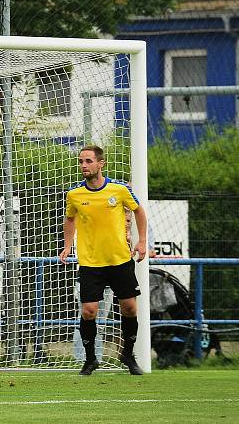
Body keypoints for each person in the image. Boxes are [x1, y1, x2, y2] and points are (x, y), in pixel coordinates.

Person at [59, 144, 147, 376]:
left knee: (129, 308)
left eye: (88, 161)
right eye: (81, 161)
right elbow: (69, 220)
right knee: (88, 311)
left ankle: (128, 354)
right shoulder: (75, 194)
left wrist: (142, 242)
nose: (83, 166)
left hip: (119, 260)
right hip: (91, 263)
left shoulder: (118, 190)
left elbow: (138, 211)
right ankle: (90, 360)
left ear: (101, 163)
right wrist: (68, 246)